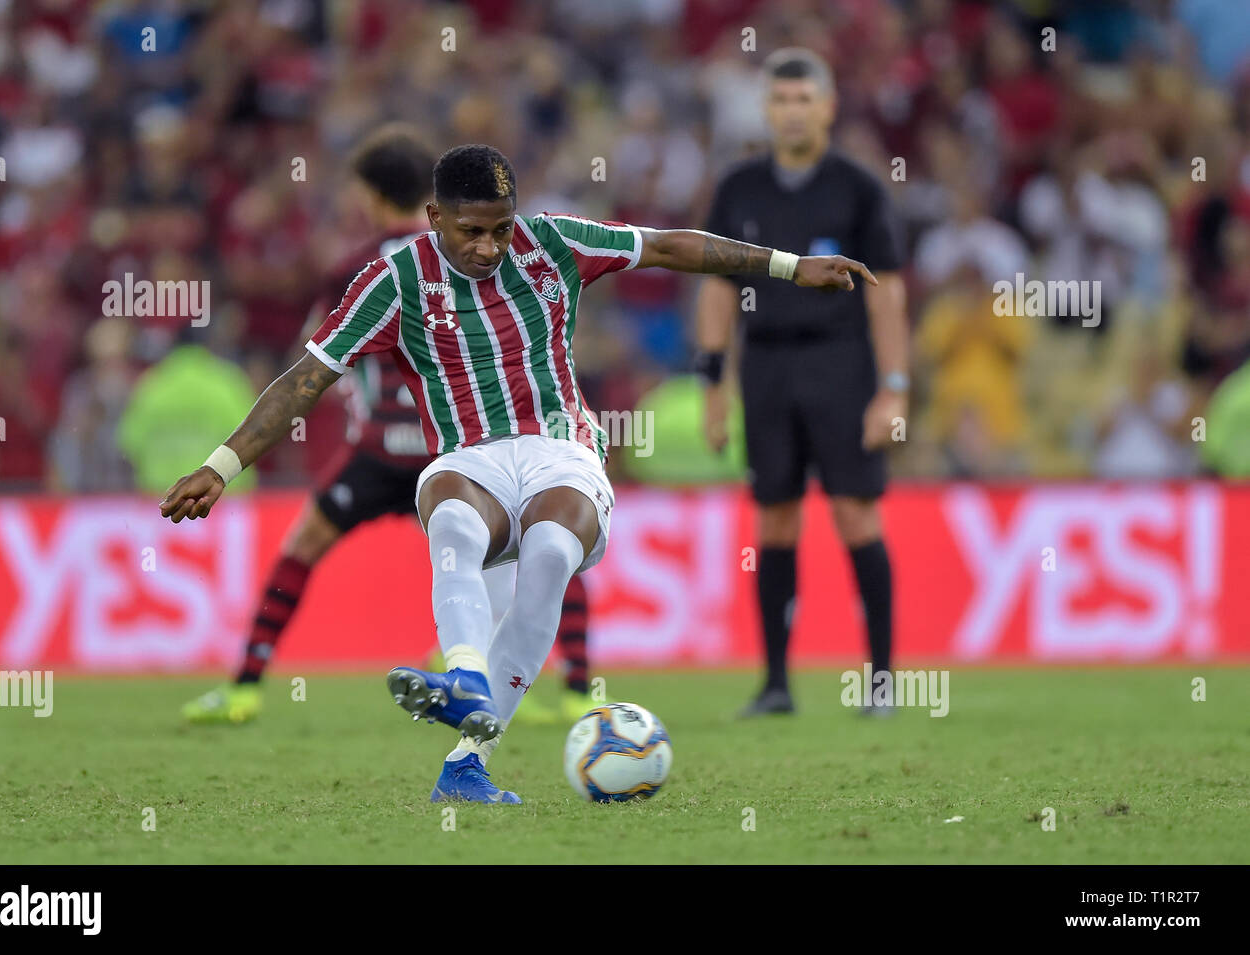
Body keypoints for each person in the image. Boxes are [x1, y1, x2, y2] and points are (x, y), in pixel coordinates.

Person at [159, 143, 875, 803]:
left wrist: (787, 265)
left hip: (561, 447)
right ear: (434, 217)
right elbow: (306, 378)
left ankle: (468, 760)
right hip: (467, 455)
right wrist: (221, 465)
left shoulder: (552, 242)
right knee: (451, 512)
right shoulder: (392, 279)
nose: (489, 245)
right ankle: (466, 673)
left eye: (500, 228)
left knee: (551, 552)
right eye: (471, 230)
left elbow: (665, 246)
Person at [181, 125, 596, 726]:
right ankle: (577, 687)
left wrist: (227, 460)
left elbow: (317, 363)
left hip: (381, 447)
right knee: (548, 539)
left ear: (372, 197)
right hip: (461, 445)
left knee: (303, 547)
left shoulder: (362, 267)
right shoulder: (489, 260)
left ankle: (245, 684)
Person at [695, 49, 909, 717]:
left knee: (854, 513)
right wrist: (712, 385)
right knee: (776, 519)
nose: (793, 111)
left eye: (804, 99)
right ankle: (776, 683)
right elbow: (719, 289)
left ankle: (881, 681)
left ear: (828, 106)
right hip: (766, 367)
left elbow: (888, 294)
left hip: (841, 364)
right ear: (767, 108)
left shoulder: (858, 188)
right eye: (782, 100)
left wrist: (893, 386)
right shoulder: (738, 189)